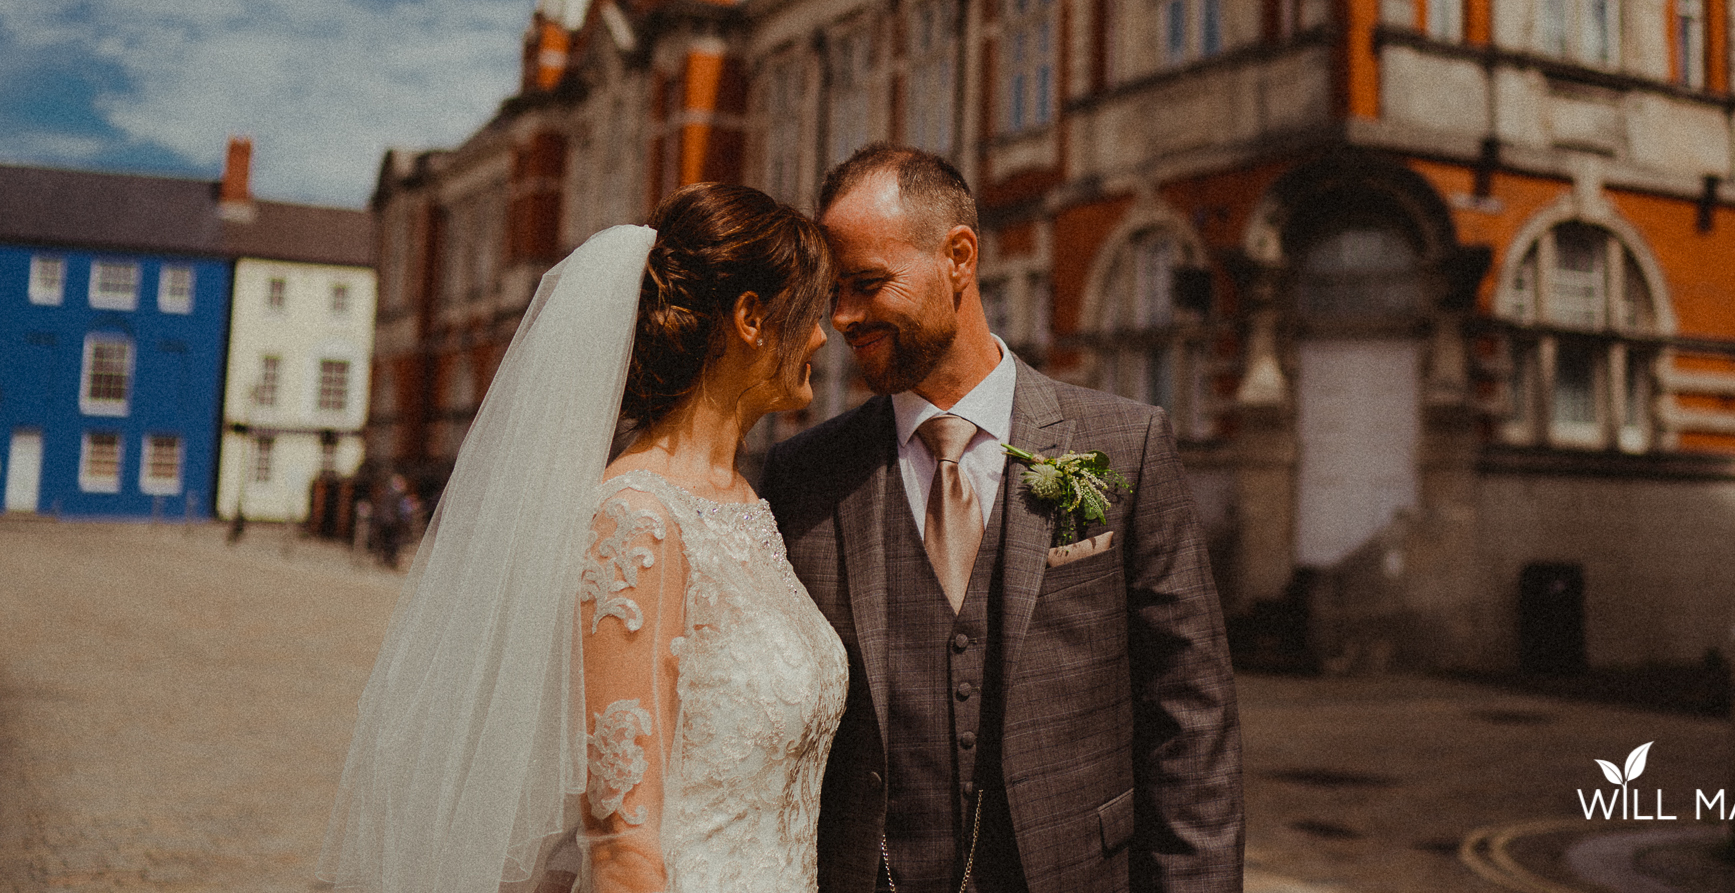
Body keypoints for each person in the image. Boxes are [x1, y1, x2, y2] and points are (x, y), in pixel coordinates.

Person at [320, 183, 847, 893]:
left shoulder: (748, 503)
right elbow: (620, 843)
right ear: (752, 317)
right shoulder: (635, 519)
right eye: (811, 309)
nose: (823, 332)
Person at [761, 146, 1242, 893]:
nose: (844, 317)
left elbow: (1191, 716)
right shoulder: (804, 475)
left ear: (959, 257)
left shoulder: (1126, 443)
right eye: (835, 293)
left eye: (866, 284)